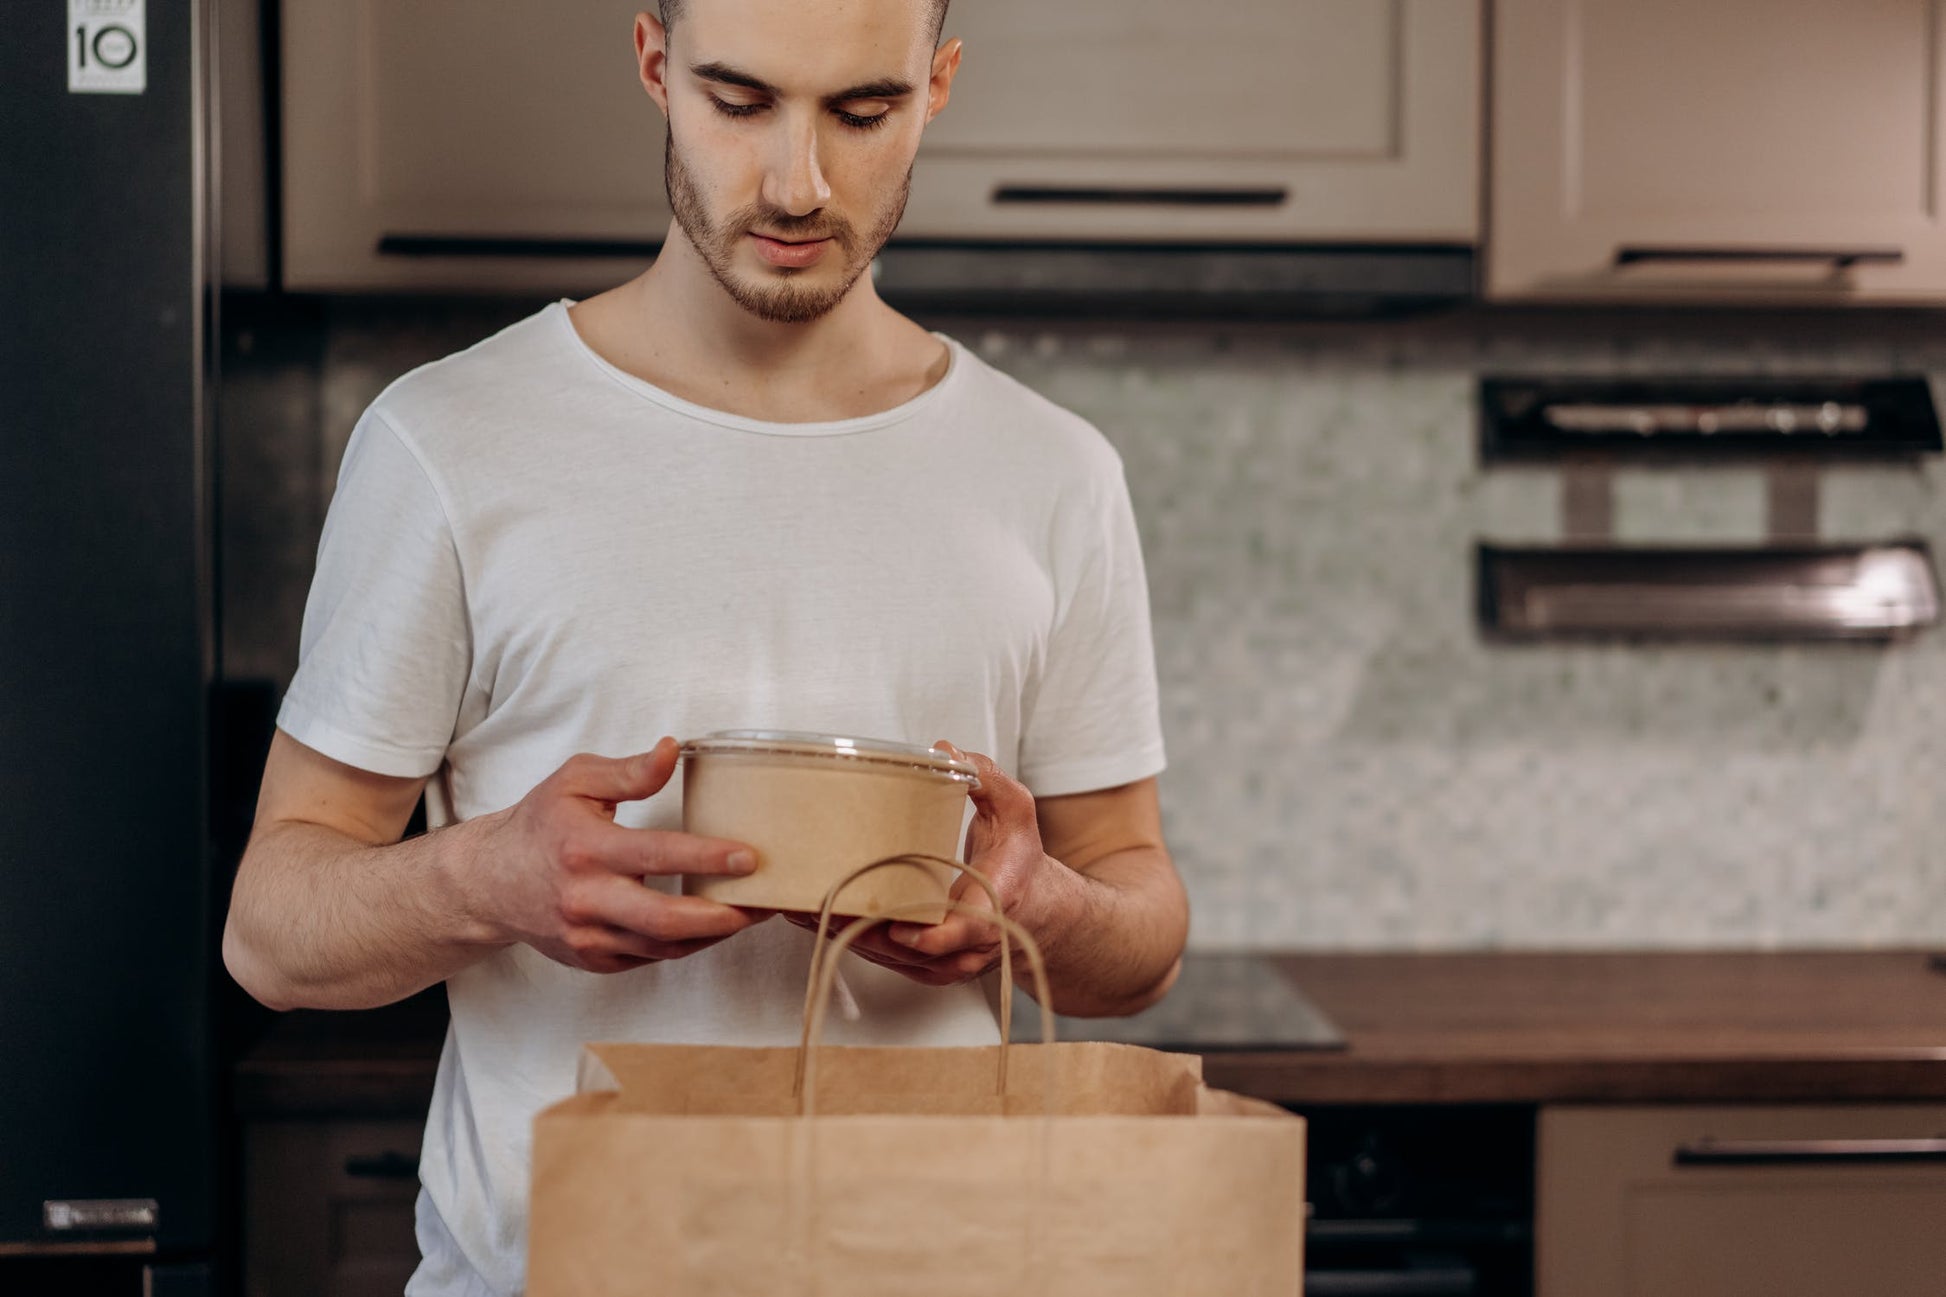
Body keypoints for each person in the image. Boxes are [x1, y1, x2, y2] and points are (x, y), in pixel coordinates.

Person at [222, 0, 1187, 1291]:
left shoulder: (1053, 475)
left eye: (862, 111)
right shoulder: (449, 443)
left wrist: (1047, 907)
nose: (797, 182)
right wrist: (486, 881)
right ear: (653, 63)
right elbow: (268, 932)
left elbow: (1142, 918)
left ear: (939, 85)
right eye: (739, 103)